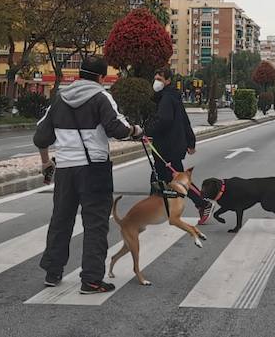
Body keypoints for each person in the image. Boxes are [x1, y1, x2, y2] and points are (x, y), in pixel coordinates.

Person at [34, 55, 142, 294]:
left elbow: (41, 137)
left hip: (64, 170)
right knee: (95, 224)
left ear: (80, 74)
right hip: (94, 170)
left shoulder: (60, 98)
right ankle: (91, 280)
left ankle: (53, 273)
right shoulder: (102, 97)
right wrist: (135, 130)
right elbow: (117, 129)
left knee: (61, 220)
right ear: (102, 77)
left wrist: (45, 163)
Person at [149, 68, 214, 224]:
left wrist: (147, 130)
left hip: (168, 147)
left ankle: (203, 203)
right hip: (171, 146)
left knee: (175, 180)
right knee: (158, 178)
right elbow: (184, 120)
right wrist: (190, 141)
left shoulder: (166, 98)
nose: (156, 82)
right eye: (155, 78)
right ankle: (154, 210)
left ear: (168, 81)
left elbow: (165, 121)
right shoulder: (172, 97)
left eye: (160, 79)